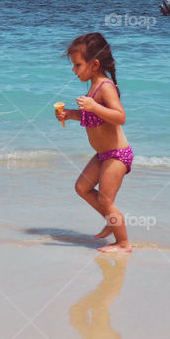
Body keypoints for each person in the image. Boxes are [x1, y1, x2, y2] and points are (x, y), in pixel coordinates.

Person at [56, 31, 133, 254]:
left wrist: (94, 107)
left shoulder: (105, 87)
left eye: (78, 65)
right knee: (82, 187)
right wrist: (71, 114)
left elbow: (120, 116)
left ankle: (123, 243)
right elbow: (95, 118)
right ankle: (111, 221)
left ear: (95, 64)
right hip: (102, 154)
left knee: (106, 199)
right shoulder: (93, 87)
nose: (74, 70)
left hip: (117, 155)